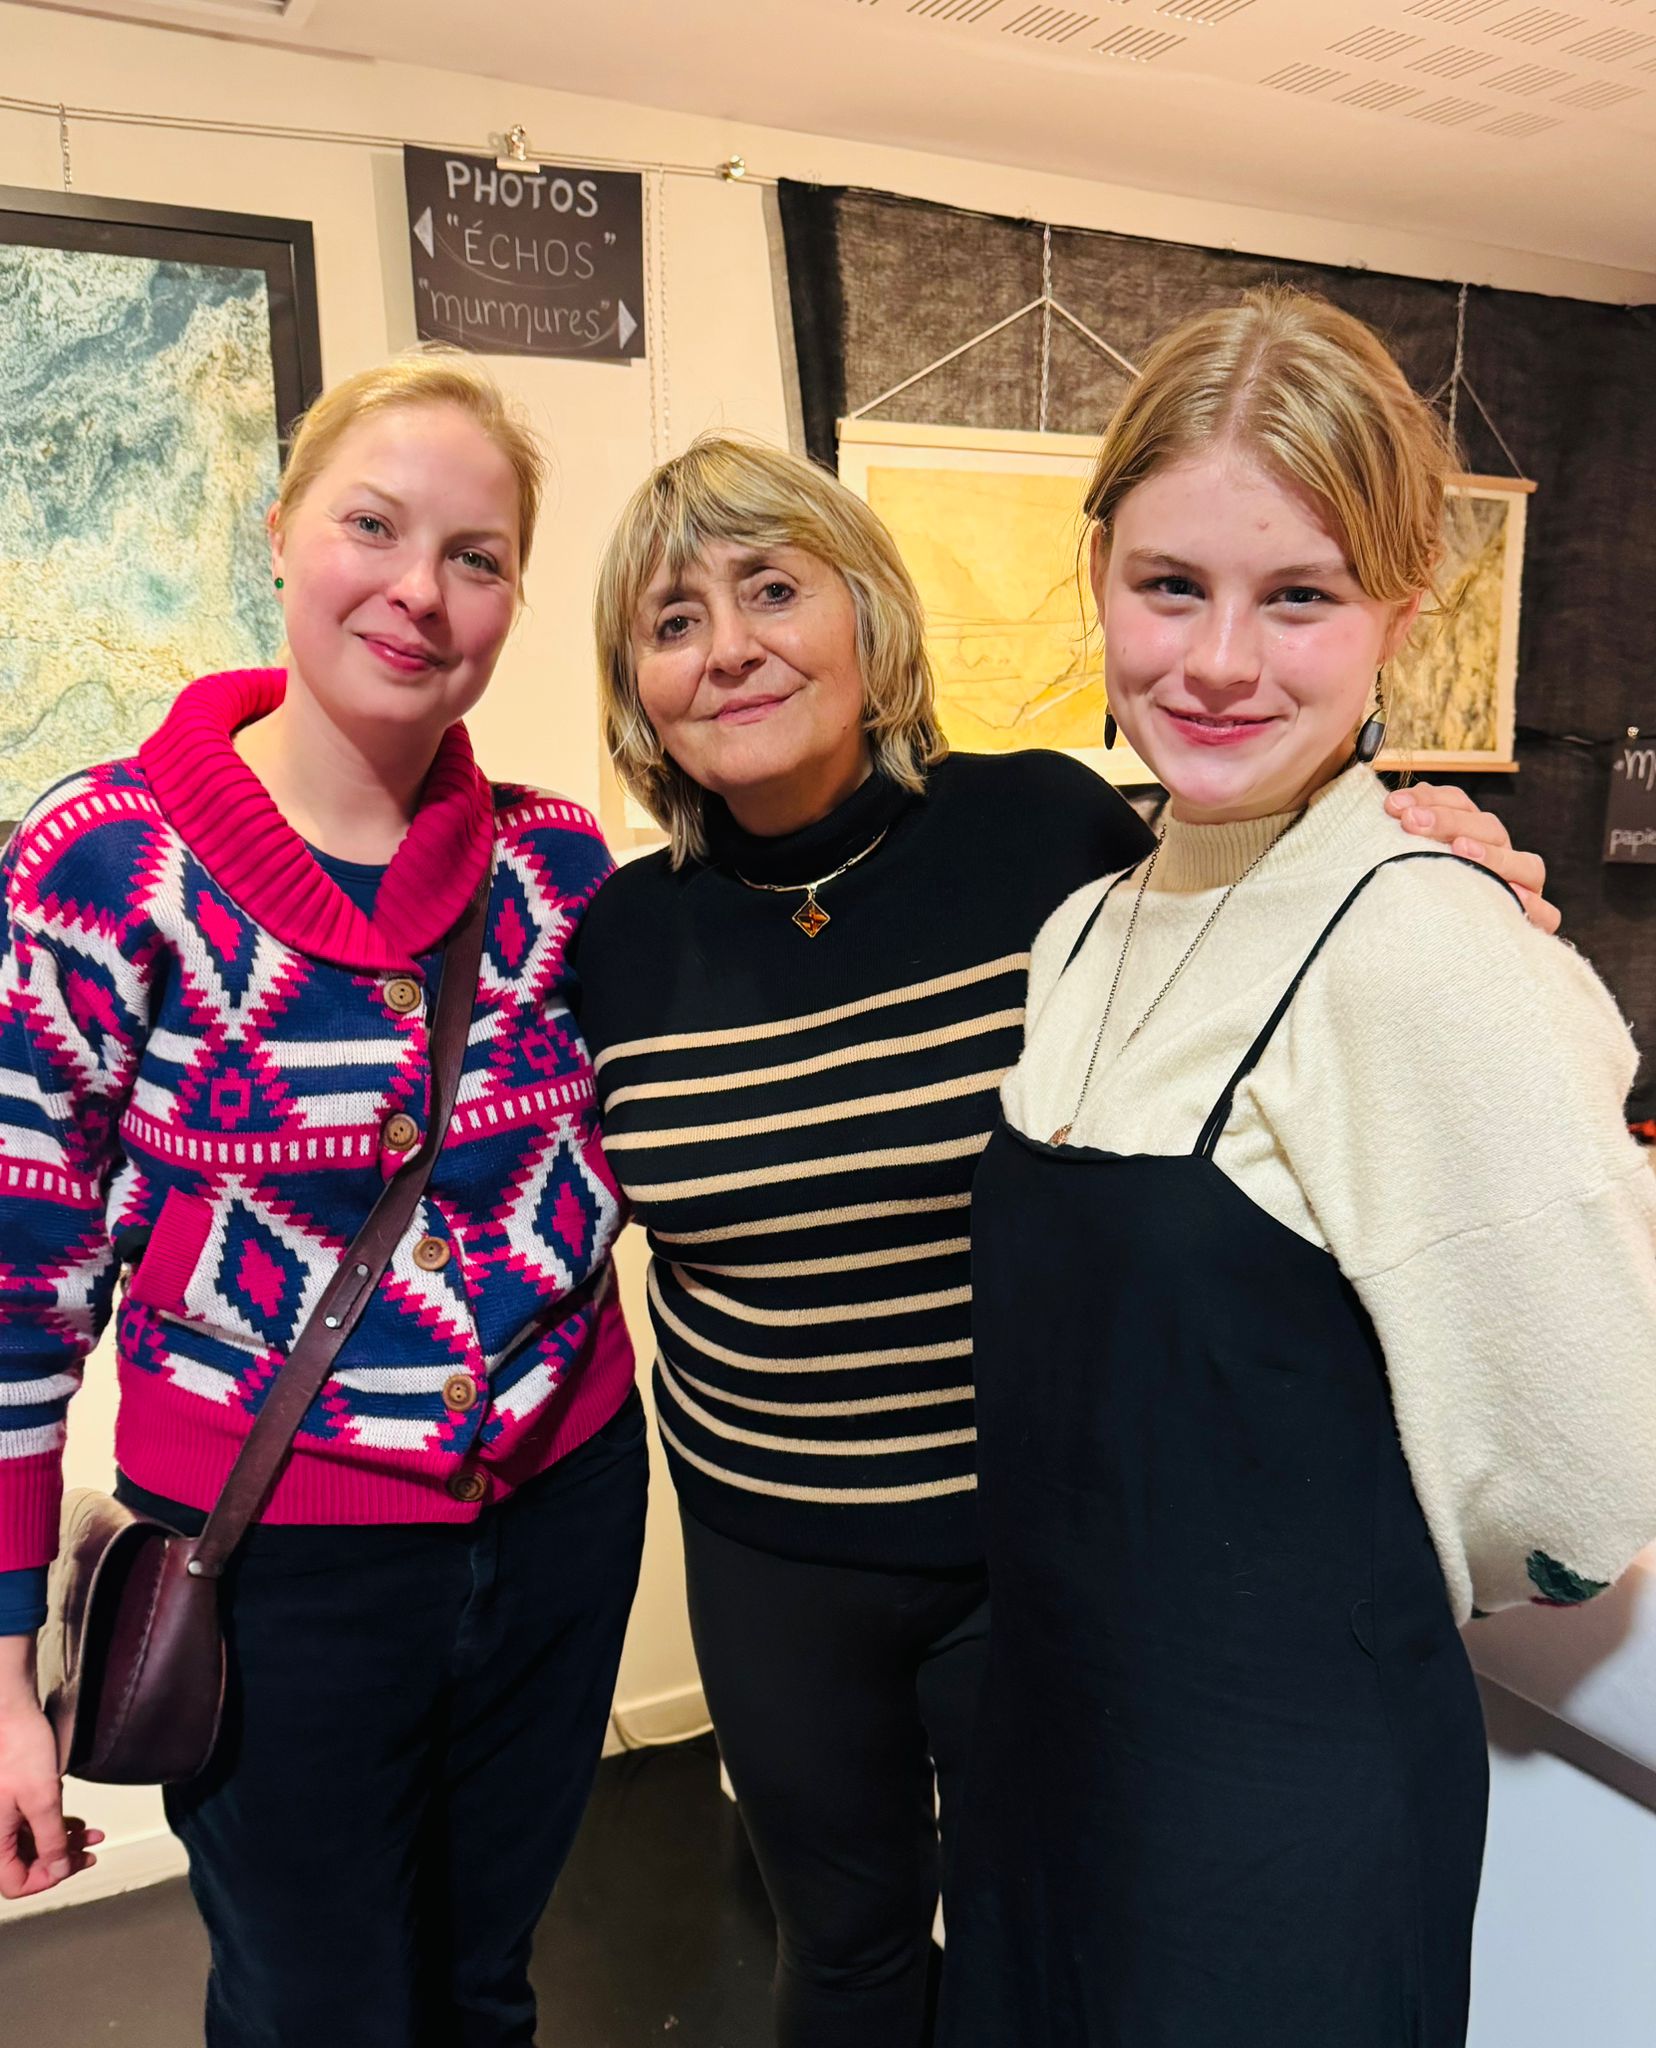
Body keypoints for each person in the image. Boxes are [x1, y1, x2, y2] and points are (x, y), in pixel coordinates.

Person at [576, 431, 1557, 2047]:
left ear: (867, 613)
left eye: (773, 590)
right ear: (638, 683)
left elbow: (1269, 936)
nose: (730, 647)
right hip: (769, 1556)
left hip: (1032, 1541)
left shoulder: (1041, 833)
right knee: (842, 1950)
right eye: (674, 621)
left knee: (1052, 1939)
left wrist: (1439, 861)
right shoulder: (618, 939)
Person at [937, 289, 1656, 2048]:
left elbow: (1579, 1480)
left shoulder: (1432, 946)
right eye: (1172, 584)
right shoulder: (1084, 932)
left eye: (1301, 597)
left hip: (1277, 1820)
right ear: (1098, 571)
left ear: (1402, 608)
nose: (1219, 661)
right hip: (1052, 1757)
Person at [0, 351, 646, 2047]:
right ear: (281, 530)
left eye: (477, 556)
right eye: (374, 525)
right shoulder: (104, 864)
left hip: (564, 1511)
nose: (420, 590)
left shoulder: (555, 867)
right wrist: (1, 1667)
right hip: (276, 1560)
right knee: (316, 2012)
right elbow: (17, 1288)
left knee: (487, 1983)